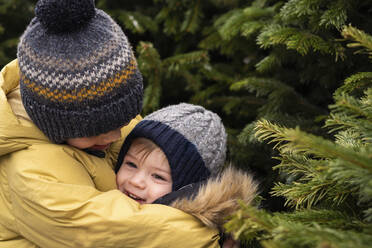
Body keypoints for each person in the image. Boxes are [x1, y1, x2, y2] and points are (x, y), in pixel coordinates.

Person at [0, 0, 228, 247]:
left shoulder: (102, 129)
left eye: (124, 119)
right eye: (99, 131)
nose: (116, 135)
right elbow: (101, 230)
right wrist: (208, 232)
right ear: (58, 125)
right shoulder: (31, 169)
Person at [115, 103, 258, 245]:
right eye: (131, 164)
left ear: (186, 187)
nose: (136, 181)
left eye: (158, 176)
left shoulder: (182, 236)